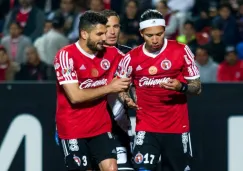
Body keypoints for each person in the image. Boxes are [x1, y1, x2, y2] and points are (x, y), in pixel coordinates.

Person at [117, 9, 202, 171]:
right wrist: (125, 98)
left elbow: (197, 88)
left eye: (159, 34)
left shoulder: (181, 51)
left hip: (177, 126)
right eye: (150, 35)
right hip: (147, 126)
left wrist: (181, 86)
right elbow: (121, 87)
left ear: (164, 31)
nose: (155, 39)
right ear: (141, 33)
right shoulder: (131, 58)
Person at [53, 11, 131, 171]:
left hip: (100, 127)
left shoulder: (112, 53)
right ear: (83, 33)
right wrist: (110, 87)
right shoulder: (65, 56)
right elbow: (75, 96)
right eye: (99, 33)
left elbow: (139, 63)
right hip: (72, 129)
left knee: (111, 168)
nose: (105, 37)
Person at [101, 9, 134, 171]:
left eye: (116, 26)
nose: (112, 32)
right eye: (107, 27)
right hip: (90, 128)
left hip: (119, 129)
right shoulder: (86, 55)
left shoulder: (130, 55)